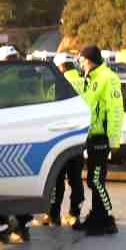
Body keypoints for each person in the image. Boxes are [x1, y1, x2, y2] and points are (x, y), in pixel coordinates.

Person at [0, 45, 33, 243]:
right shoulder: (33, 76)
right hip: (30, 138)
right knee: (23, 184)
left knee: (0, 185)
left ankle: (0, 229)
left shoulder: (6, 82)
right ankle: (23, 227)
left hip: (8, 139)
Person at [76, 45, 123, 236]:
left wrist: (113, 140)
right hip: (91, 137)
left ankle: (108, 219)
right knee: (92, 180)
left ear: (88, 60)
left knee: (96, 180)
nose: (79, 64)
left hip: (102, 138)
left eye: (80, 60)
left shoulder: (108, 78)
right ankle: (97, 217)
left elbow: (115, 110)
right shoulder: (90, 78)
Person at [44, 53, 86, 225]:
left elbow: (48, 111)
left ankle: (53, 214)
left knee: (57, 178)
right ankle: (74, 213)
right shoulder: (86, 83)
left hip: (60, 138)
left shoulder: (56, 85)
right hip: (79, 138)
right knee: (76, 178)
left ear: (59, 67)